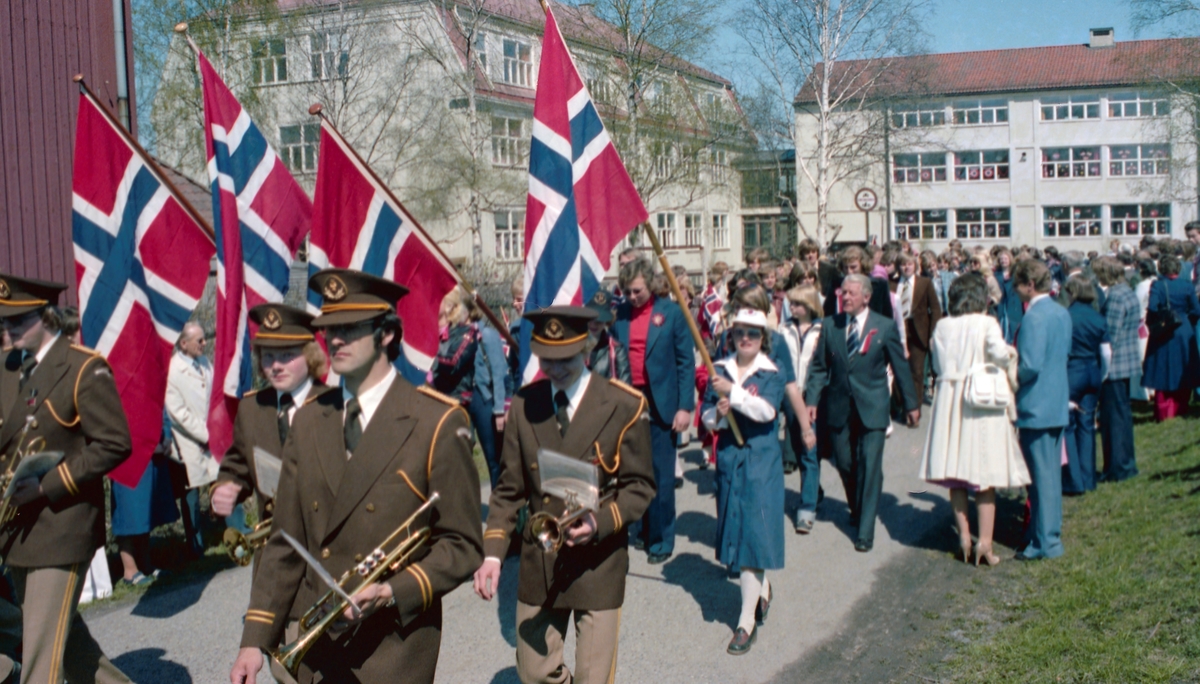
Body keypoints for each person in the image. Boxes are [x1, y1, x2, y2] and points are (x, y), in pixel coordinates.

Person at [229, 269, 483, 684]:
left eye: (350, 328)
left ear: (385, 334)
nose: (335, 340)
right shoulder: (310, 420)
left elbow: (463, 544)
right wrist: (254, 640)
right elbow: (284, 541)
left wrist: (391, 591)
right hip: (320, 649)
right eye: (329, 329)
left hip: (393, 651)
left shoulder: (435, 421)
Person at [473, 306, 654, 684]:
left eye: (565, 359)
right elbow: (508, 490)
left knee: (594, 677)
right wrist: (492, 555)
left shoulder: (623, 405)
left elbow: (640, 487)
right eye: (546, 360)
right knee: (535, 672)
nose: (554, 369)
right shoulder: (524, 405)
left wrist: (600, 521)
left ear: (587, 348)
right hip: (541, 561)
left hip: (597, 563)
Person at [0, 274, 133, 683]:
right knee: (74, 652)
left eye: (18, 323)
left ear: (49, 318)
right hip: (18, 532)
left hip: (60, 527)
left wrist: (46, 484)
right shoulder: (7, 370)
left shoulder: (82, 368)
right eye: (2, 324)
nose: (7, 332)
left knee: (40, 663)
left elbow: (114, 443)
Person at [919, 273, 1029, 567]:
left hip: (949, 399)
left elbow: (939, 362)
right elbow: (997, 354)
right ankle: (985, 543)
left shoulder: (943, 325)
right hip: (979, 400)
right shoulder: (986, 323)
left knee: (957, 473)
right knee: (984, 475)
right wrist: (1010, 355)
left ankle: (964, 538)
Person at [210, 305, 332, 570]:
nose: (275, 366)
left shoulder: (335, 405)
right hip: (274, 559)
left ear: (310, 355)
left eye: (287, 356)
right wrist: (226, 487)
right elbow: (236, 466)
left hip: (327, 552)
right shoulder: (252, 409)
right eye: (268, 357)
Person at [805, 274, 920, 553]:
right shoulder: (831, 326)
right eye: (842, 292)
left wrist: (911, 403)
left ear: (866, 297)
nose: (844, 297)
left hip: (873, 407)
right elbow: (820, 367)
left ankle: (865, 531)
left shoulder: (884, 326)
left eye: (851, 293)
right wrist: (812, 399)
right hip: (839, 407)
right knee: (845, 463)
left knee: (869, 464)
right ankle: (858, 507)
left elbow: (900, 366)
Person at [701, 309, 786, 655]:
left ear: (763, 338)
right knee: (737, 531)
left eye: (753, 333)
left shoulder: (771, 372)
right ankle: (761, 591)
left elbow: (766, 412)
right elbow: (707, 418)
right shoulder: (719, 368)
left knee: (755, 533)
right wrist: (718, 413)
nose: (745, 339)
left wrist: (733, 394)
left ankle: (744, 622)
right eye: (739, 333)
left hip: (761, 460)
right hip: (731, 461)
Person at [611, 258, 694, 565]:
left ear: (650, 284)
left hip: (663, 403)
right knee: (635, 470)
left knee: (660, 473)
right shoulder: (618, 314)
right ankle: (645, 527)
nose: (632, 298)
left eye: (637, 291)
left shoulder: (671, 314)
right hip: (630, 400)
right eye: (627, 292)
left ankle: (662, 537)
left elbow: (686, 363)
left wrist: (685, 407)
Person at [1011, 259, 1072, 561]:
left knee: (1039, 479)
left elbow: (1030, 364)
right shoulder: (1060, 311)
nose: (1014, 290)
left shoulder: (1034, 317)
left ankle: (1045, 542)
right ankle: (1048, 536)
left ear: (1029, 284)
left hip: (1035, 405)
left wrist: (1010, 378)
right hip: (1056, 401)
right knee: (1049, 477)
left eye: (1017, 284)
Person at [433, 288, 502, 488]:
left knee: (492, 455)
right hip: (461, 397)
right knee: (462, 452)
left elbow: (497, 372)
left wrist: (499, 408)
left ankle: (501, 503)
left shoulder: (482, 334)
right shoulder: (445, 333)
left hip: (481, 397)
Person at [166, 321, 223, 554]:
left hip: (212, 436)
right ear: (183, 343)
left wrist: (216, 429)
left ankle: (232, 528)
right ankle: (195, 544)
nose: (204, 343)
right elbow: (177, 411)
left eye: (204, 338)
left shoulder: (204, 363)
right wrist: (204, 433)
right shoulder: (172, 370)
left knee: (221, 481)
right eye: (199, 340)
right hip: (188, 440)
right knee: (191, 493)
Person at [780, 285, 823, 534]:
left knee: (809, 451)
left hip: (811, 396)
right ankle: (814, 489)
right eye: (791, 303)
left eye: (797, 303)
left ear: (808, 305)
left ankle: (806, 507)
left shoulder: (822, 329)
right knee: (797, 447)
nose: (792, 307)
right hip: (789, 393)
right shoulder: (784, 329)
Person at [1062, 277, 1110, 496]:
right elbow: (1106, 352)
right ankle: (1089, 478)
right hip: (1093, 370)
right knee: (1087, 425)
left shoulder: (1066, 316)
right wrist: (1103, 375)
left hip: (1073, 371)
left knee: (1069, 426)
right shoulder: (1098, 317)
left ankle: (1074, 480)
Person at [1093, 257, 1140, 482]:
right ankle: (1123, 464)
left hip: (1115, 365)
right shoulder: (1127, 291)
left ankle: (1117, 467)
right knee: (1121, 416)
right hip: (1127, 361)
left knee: (1113, 420)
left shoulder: (1115, 296)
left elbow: (1110, 334)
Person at [1141, 254, 1200, 421]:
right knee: (1184, 369)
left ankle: (1164, 410)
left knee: (1163, 370)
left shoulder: (1158, 285)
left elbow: (1152, 308)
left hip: (1165, 330)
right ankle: (1182, 406)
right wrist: (1188, 321)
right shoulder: (1187, 285)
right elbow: (1196, 310)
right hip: (1184, 329)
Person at [893, 253, 942, 405]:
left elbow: (935, 308)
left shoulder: (924, 283)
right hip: (896, 332)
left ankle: (914, 408)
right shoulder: (892, 284)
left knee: (917, 372)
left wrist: (933, 332)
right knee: (897, 371)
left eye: (910, 264)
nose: (906, 267)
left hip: (918, 333)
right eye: (903, 264)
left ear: (915, 265)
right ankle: (899, 405)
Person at [585, 289, 631, 383]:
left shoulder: (617, 349)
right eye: (591, 319)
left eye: (600, 320)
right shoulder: (574, 346)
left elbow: (625, 387)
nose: (594, 324)